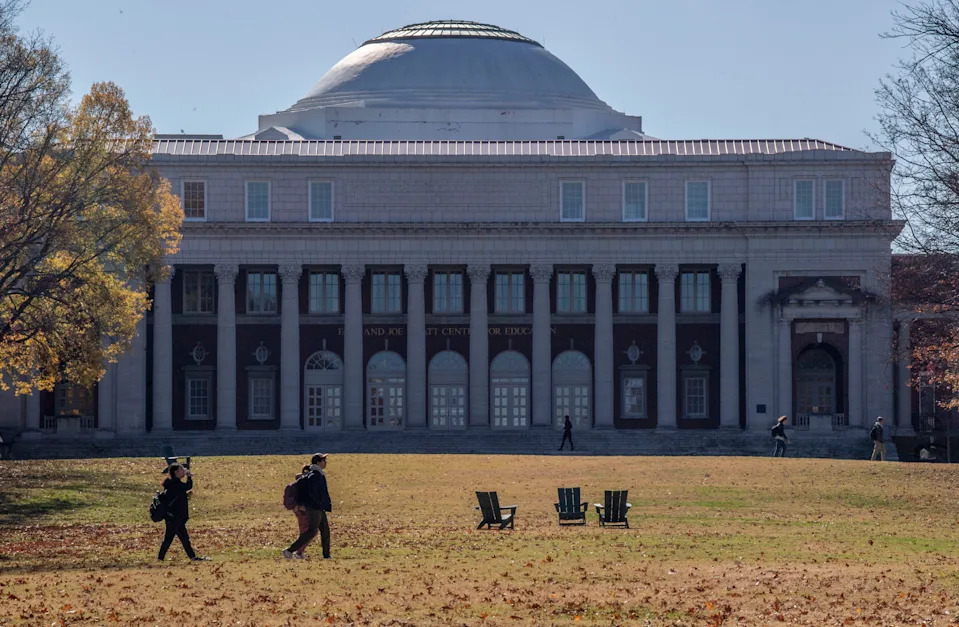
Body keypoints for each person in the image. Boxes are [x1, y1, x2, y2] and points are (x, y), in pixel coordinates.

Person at [284, 453, 331, 559]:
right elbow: (311, 492)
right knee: (311, 531)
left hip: (319, 507)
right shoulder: (314, 476)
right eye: (324, 460)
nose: (325, 463)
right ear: (318, 462)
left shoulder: (317, 474)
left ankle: (326, 555)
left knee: (325, 531)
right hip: (315, 507)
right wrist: (316, 502)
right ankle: (289, 550)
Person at [158, 463, 209, 562]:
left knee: (184, 539)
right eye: (181, 469)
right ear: (176, 472)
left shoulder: (172, 483)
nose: (183, 471)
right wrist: (189, 477)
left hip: (176, 517)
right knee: (169, 539)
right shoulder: (174, 483)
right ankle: (160, 558)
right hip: (174, 517)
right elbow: (188, 486)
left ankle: (192, 557)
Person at [291, 465, 313, 558]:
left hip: (305, 510)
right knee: (307, 532)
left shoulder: (303, 482)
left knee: (308, 531)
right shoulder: (301, 483)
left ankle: (299, 551)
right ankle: (298, 552)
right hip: (302, 511)